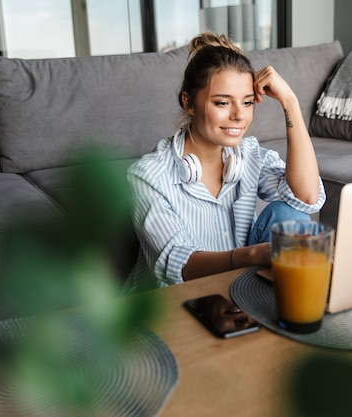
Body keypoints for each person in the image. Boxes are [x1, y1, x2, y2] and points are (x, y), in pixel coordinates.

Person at [123, 32, 325, 293]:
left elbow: (307, 197)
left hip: (233, 291)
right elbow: (175, 263)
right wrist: (252, 255)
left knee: (290, 215)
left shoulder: (249, 155)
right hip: (172, 302)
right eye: (222, 102)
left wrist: (290, 103)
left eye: (247, 102)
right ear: (189, 103)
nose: (239, 115)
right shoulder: (148, 174)